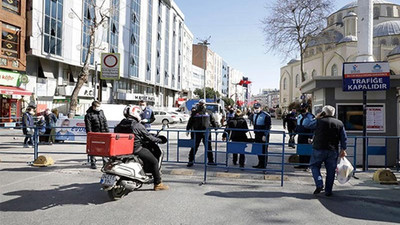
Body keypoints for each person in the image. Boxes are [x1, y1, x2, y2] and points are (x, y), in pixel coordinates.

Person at [114, 105, 169, 191]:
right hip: (136, 149)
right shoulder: (137, 125)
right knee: (154, 161)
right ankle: (158, 183)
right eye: (139, 113)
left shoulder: (120, 124)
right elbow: (149, 137)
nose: (140, 115)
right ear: (135, 113)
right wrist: (159, 140)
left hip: (123, 149)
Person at [304, 105, 347, 197]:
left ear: (323, 113)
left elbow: (306, 124)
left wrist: (316, 117)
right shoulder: (339, 123)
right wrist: (343, 149)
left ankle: (319, 183)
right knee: (331, 171)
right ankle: (328, 191)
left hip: (318, 148)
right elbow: (344, 138)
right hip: (332, 150)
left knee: (314, 166)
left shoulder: (319, 121)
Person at [186, 99, 217, 167]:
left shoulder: (209, 112)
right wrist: (187, 129)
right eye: (200, 104)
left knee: (208, 147)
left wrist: (216, 128)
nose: (201, 105)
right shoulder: (195, 113)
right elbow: (190, 121)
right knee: (194, 146)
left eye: (202, 104)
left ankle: (211, 161)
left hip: (206, 133)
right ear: (198, 104)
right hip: (197, 133)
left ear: (205, 105)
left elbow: (213, 121)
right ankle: (191, 160)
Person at [84, 100, 109, 169]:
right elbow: (88, 126)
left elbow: (105, 122)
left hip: (103, 133)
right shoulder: (88, 115)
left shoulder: (101, 112)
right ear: (93, 106)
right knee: (93, 148)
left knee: (104, 148)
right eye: (97, 106)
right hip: (94, 133)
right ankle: (93, 162)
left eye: (99, 106)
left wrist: (107, 132)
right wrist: (90, 134)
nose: (99, 108)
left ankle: (105, 162)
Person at [251, 103, 271, 169]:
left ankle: (264, 164)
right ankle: (260, 163)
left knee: (264, 150)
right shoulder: (254, 115)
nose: (256, 109)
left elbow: (268, 126)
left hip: (263, 135)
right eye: (255, 108)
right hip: (257, 134)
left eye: (257, 108)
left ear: (261, 108)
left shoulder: (266, 115)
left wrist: (265, 135)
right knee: (258, 149)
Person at [295, 103, 315, 169]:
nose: (301, 109)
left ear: (306, 108)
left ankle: (307, 165)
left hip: (307, 136)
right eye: (301, 107)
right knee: (301, 150)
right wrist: (293, 134)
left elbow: (312, 128)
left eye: (303, 107)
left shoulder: (310, 116)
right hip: (300, 135)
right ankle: (301, 164)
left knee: (307, 150)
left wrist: (311, 137)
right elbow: (297, 125)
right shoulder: (299, 116)